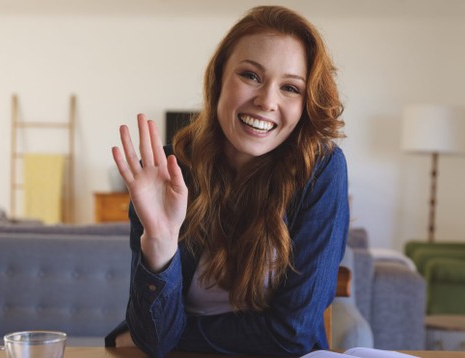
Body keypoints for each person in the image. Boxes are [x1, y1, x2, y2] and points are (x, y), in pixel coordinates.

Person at [106, 5, 349, 357]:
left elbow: (292, 333)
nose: (267, 101)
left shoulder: (320, 170)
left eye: (291, 88)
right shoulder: (166, 171)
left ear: (304, 104)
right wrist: (160, 238)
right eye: (250, 76)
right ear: (219, 78)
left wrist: (175, 338)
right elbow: (154, 335)